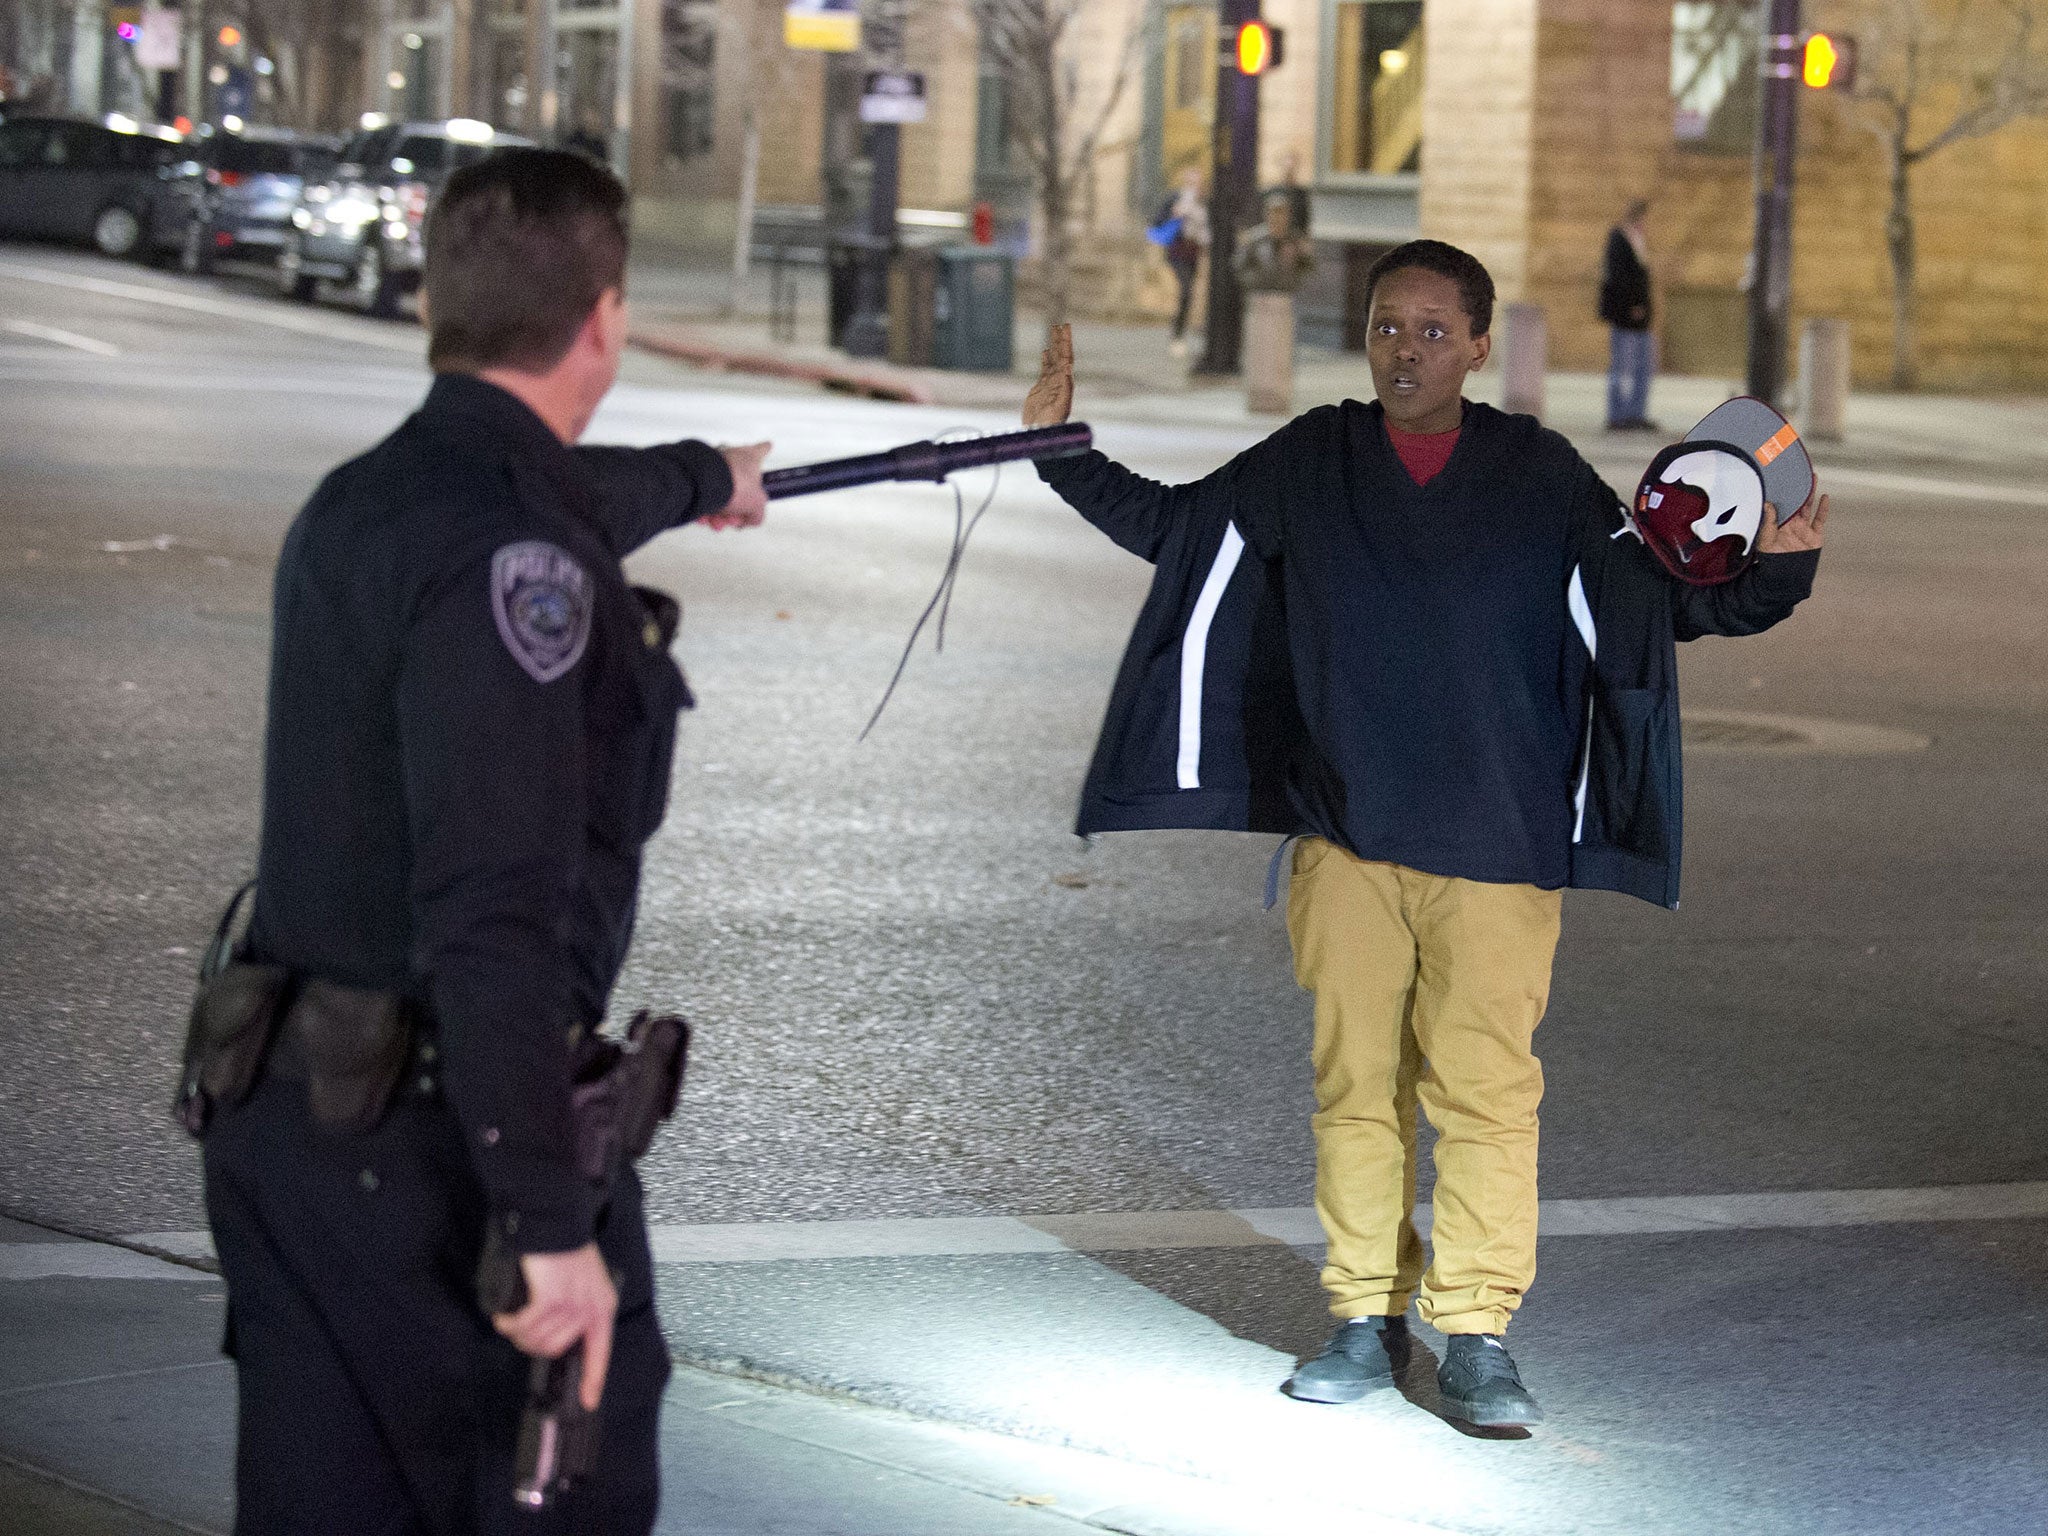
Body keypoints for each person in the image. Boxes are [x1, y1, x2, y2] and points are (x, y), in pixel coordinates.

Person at [1022, 240, 1827, 1428]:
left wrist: (1776, 576)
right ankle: (1360, 1315)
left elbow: (1657, 605)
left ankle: (1476, 1333)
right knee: (1355, 1087)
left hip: (1498, 849)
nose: (1407, 351)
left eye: (1434, 332)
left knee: (1485, 1096)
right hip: (1346, 838)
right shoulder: (1314, 458)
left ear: (1480, 346)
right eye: (1388, 328)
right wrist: (1058, 450)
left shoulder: (1537, 474)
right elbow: (1177, 529)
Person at [199, 148, 769, 1532]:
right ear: (606, 318)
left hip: (289, 1131)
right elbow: (496, 911)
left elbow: (553, 490)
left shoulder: (368, 500)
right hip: (435, 1164)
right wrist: (550, 1226)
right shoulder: (522, 558)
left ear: (433, 309)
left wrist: (706, 478)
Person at [1599, 197, 1656, 430]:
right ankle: (1618, 414)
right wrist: (1632, 304)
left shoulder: (1638, 241)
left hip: (1641, 319)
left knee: (1642, 366)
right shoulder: (1619, 239)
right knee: (1622, 366)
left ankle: (1635, 413)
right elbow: (1619, 277)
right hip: (1626, 316)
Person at [1156, 166, 1210, 359]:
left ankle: (1187, 332)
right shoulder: (1175, 199)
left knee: (1193, 294)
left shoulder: (1204, 204)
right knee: (1186, 290)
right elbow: (1156, 222)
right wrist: (1174, 215)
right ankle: (1177, 336)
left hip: (1196, 253)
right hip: (1177, 253)